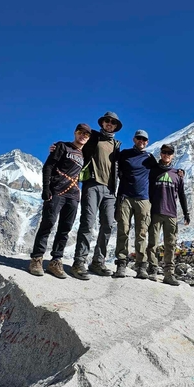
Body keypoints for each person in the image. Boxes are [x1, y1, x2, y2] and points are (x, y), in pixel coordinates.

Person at [29, 124, 91, 278]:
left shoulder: (86, 155)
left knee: (65, 228)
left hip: (74, 195)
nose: (83, 136)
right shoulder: (63, 147)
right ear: (75, 133)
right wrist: (46, 188)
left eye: (86, 134)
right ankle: (36, 258)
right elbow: (48, 166)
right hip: (57, 191)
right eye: (80, 132)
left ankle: (55, 261)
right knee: (48, 223)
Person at [69, 111, 123, 280]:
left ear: (116, 126)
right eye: (107, 121)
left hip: (110, 190)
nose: (109, 123)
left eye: (112, 122)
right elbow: (77, 144)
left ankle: (98, 262)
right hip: (92, 184)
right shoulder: (93, 137)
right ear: (102, 123)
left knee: (107, 225)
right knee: (88, 222)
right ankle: (79, 262)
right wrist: (59, 147)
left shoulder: (116, 145)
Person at [114, 130, 157, 279]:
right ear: (134, 139)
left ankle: (141, 267)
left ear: (147, 142)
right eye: (139, 138)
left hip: (143, 199)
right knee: (123, 230)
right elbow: (110, 164)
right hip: (125, 197)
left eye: (144, 139)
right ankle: (121, 263)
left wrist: (179, 172)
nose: (141, 141)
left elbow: (160, 172)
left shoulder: (150, 158)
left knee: (141, 233)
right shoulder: (125, 154)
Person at [146, 144, 190, 286]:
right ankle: (152, 269)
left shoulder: (177, 174)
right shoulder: (153, 171)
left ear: (173, 155)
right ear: (161, 154)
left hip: (171, 214)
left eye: (169, 153)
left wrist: (186, 213)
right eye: (164, 152)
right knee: (152, 242)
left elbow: (182, 195)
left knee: (170, 244)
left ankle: (168, 274)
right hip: (155, 211)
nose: (166, 155)